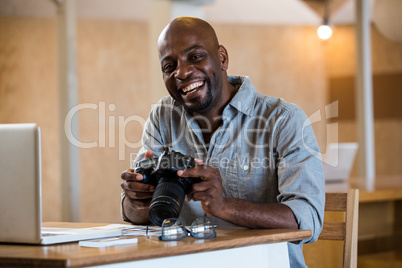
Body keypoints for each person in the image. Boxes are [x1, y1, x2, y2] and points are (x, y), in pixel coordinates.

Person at [121, 16, 324, 267]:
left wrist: (225, 206)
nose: (182, 72)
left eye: (195, 57)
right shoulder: (163, 117)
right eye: (169, 66)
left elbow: (309, 219)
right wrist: (134, 200)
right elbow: (139, 217)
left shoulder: (283, 120)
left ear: (222, 58)